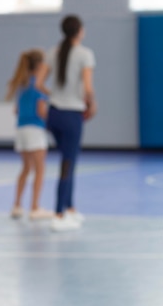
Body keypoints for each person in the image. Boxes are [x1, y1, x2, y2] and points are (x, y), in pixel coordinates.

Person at [37, 14, 97, 231]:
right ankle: (59, 214)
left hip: (54, 114)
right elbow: (88, 88)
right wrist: (92, 103)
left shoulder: (52, 52)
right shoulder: (85, 54)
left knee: (68, 161)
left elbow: (39, 83)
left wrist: (54, 95)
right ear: (79, 31)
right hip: (72, 115)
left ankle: (70, 208)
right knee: (68, 163)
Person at [5, 49, 54, 220]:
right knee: (40, 169)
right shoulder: (38, 86)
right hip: (35, 130)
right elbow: (41, 111)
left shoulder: (21, 85)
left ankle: (17, 205)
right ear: (40, 66)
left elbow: (17, 109)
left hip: (21, 130)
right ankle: (35, 207)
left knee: (26, 168)